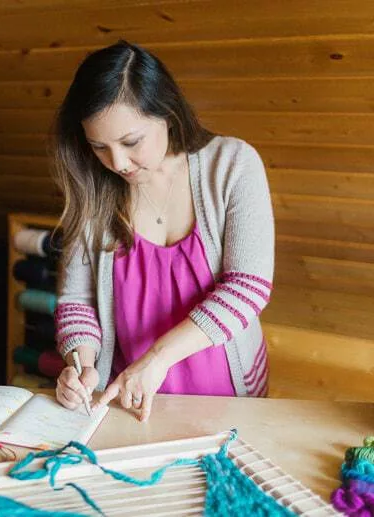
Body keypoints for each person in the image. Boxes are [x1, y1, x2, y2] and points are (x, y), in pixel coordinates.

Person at [51, 40, 275, 422]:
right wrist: (81, 365)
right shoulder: (92, 187)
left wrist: (156, 359)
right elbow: (77, 300)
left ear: (167, 113)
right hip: (127, 399)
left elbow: (247, 287)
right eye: (99, 147)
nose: (117, 162)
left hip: (229, 395)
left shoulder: (233, 165)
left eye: (131, 142)